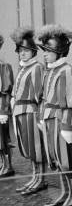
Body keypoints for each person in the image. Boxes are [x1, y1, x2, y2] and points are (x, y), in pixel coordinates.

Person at [37, 24, 72, 206]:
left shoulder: (68, 70)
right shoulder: (50, 70)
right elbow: (44, 98)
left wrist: (67, 126)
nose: (44, 54)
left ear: (59, 52)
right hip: (49, 119)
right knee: (55, 158)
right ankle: (64, 193)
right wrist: (42, 118)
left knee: (67, 159)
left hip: (61, 120)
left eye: (48, 51)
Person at [11, 27, 46, 194]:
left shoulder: (37, 67)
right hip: (19, 110)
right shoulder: (23, 67)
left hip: (30, 111)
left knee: (36, 146)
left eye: (26, 51)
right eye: (20, 50)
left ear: (33, 52)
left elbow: (40, 93)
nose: (22, 54)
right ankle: (34, 176)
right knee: (27, 145)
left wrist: (40, 117)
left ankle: (41, 179)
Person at [0, 35, 14, 179]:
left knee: (3, 138)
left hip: (0, 107)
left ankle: (7, 165)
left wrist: (3, 110)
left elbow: (6, 91)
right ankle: (1, 163)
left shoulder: (4, 67)